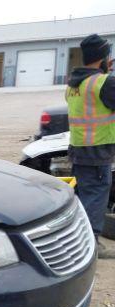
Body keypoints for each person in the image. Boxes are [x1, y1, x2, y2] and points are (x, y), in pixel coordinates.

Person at [66, 33, 115, 258]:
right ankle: (90, 245)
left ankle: (80, 240)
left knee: (86, 196)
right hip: (97, 151)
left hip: (79, 149)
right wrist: (107, 74)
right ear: (102, 58)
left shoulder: (74, 84)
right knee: (95, 198)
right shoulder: (103, 83)